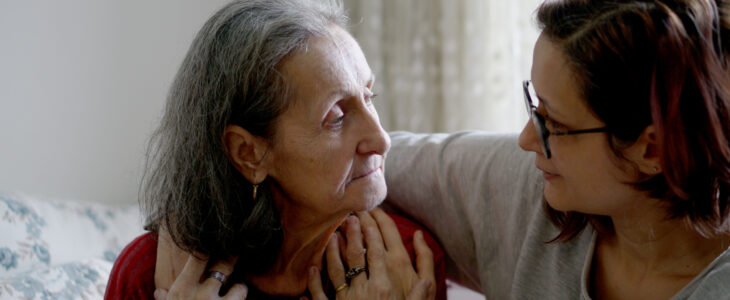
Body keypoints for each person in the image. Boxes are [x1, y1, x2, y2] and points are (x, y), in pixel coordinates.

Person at [383, 0, 730, 299]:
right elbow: (366, 160)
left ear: (652, 149)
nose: (526, 140)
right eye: (535, 108)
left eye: (557, 125)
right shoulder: (526, 186)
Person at [104, 0, 447, 299]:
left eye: (369, 97)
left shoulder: (406, 261)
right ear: (248, 153)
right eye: (337, 116)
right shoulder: (150, 278)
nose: (381, 139)